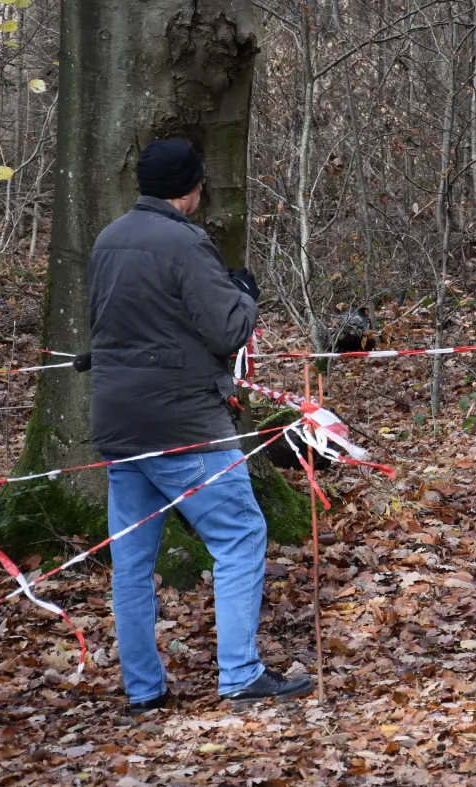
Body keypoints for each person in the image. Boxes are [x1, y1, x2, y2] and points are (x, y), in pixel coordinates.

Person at [88, 139, 312, 713]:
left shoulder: (108, 239)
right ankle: (240, 674)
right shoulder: (186, 243)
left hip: (119, 422)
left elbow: (113, 323)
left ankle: (144, 690)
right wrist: (244, 295)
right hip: (182, 423)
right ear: (189, 188)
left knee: (132, 564)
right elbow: (228, 330)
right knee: (240, 536)